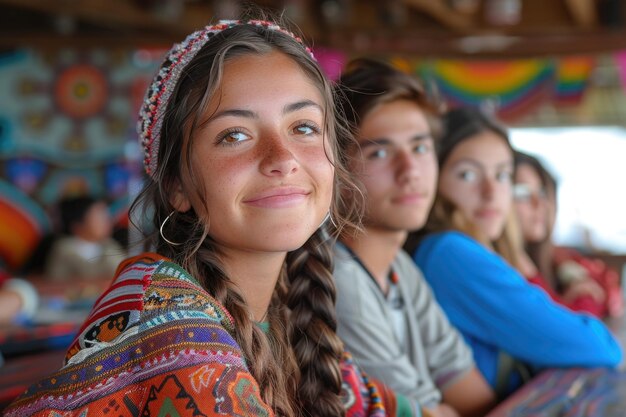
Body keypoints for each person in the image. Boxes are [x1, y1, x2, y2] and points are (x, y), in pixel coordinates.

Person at [5, 17, 431, 417]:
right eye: (235, 135)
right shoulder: (166, 327)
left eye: (302, 127)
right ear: (177, 185)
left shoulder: (292, 313)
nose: (282, 160)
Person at [404, 107, 622, 398]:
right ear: (434, 176)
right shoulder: (451, 253)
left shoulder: (458, 250)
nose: (491, 192)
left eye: (502, 175)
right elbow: (597, 346)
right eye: (467, 174)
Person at [332, 59, 495, 417]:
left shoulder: (399, 268)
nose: (410, 172)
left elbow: (467, 386)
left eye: (420, 148)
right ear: (338, 172)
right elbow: (422, 411)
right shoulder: (339, 278)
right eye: (380, 152)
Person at [513, 150, 623, 318]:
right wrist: (567, 306)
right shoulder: (507, 265)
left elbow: (604, 292)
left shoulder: (558, 258)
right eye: (522, 193)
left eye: (542, 192)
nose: (538, 203)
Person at [44, 196, 126, 280]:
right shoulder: (63, 249)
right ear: (77, 224)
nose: (107, 222)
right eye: (99, 217)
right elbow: (56, 282)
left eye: (106, 217)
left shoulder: (110, 245)